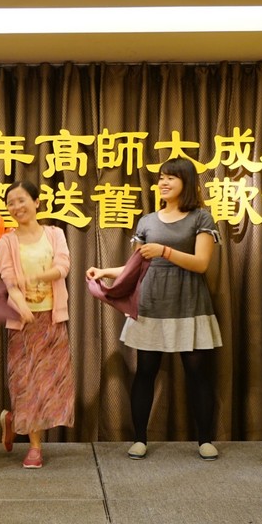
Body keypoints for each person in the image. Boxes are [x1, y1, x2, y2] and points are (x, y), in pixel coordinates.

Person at [85, 157, 222, 461]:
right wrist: (105, 272)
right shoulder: (147, 221)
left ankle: (205, 440)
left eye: (171, 177)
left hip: (190, 303)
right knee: (145, 371)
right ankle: (140, 439)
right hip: (151, 304)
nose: (163, 182)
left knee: (197, 373)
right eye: (161, 177)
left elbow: (201, 263)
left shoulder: (201, 217)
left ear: (187, 182)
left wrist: (165, 251)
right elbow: (135, 267)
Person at [0, 180, 74, 469]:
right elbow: (9, 282)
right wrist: (22, 306)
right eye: (11, 203)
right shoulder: (6, 242)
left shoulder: (54, 234)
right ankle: (34, 446)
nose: (16, 207)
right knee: (27, 383)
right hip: (22, 322)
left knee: (50, 383)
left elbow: (63, 267)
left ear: (36, 202)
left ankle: (14, 418)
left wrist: (37, 277)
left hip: (52, 318)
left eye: (21, 200)